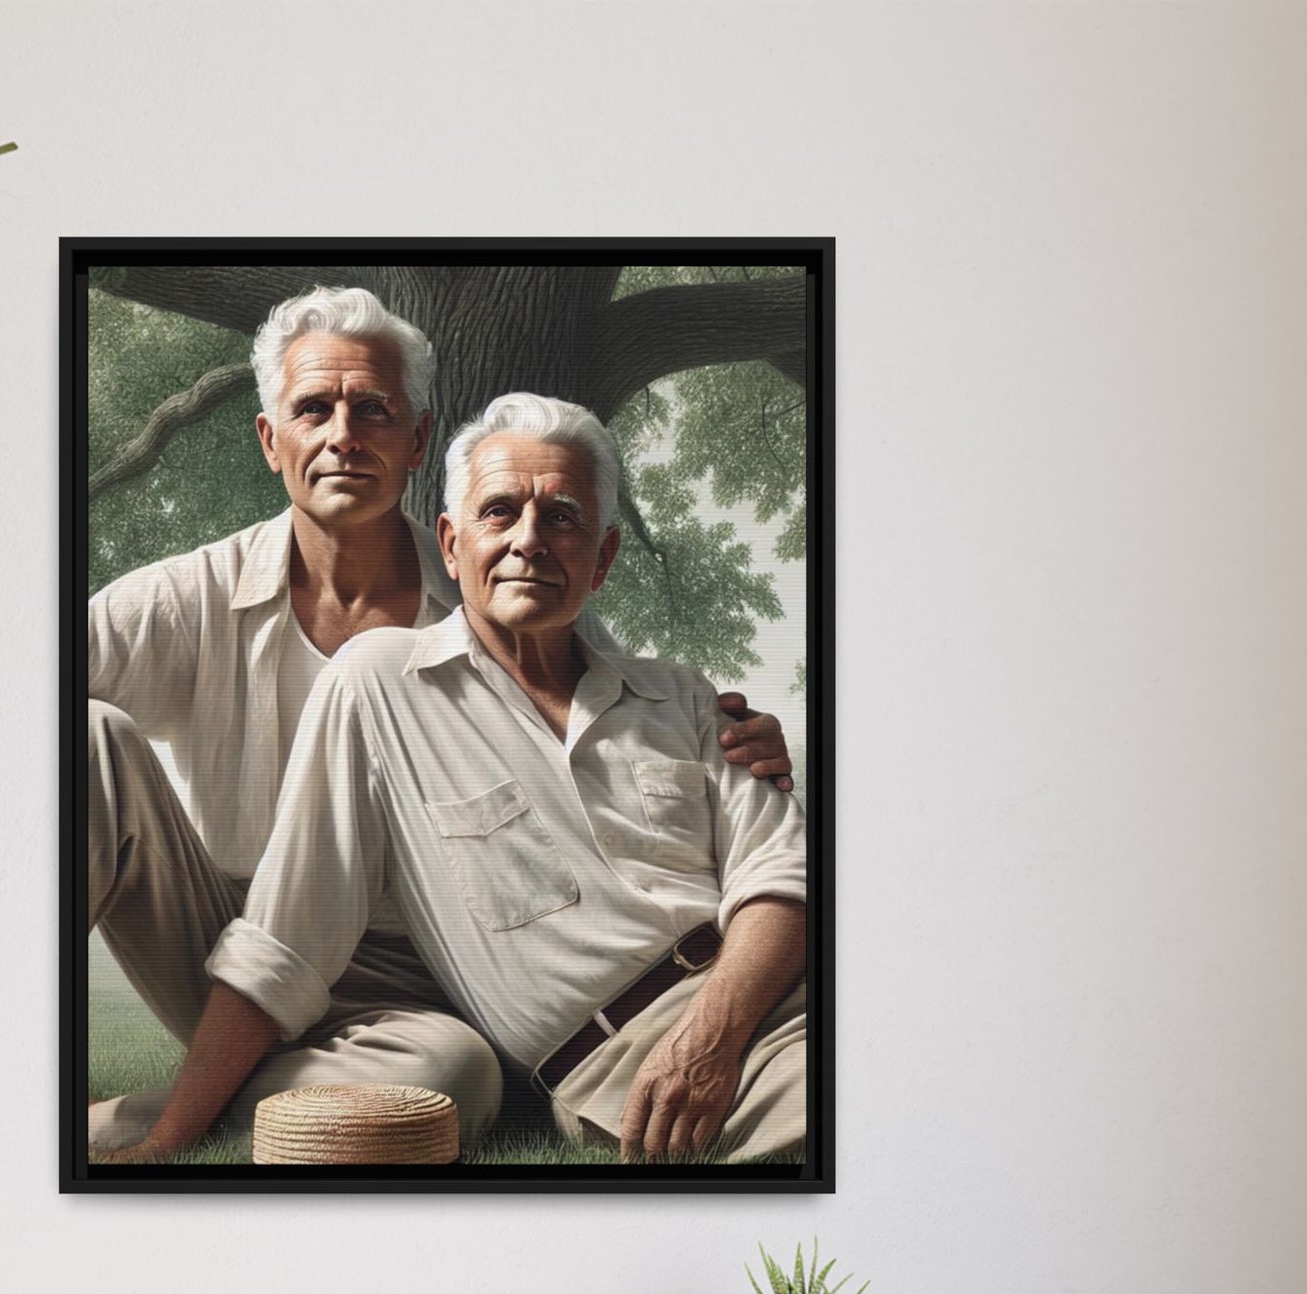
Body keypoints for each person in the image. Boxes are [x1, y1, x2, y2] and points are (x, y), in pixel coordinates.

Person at [86, 288, 794, 1156]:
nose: (344, 434)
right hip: (229, 940)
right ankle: (16, 1065)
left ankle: (218, 1108)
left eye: (374, 410)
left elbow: (602, 711)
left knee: (454, 1077)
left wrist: (742, 738)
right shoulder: (187, 602)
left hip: (427, 980)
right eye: (313, 409)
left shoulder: (514, 597)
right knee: (80, 737)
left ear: (416, 440)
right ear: (271, 441)